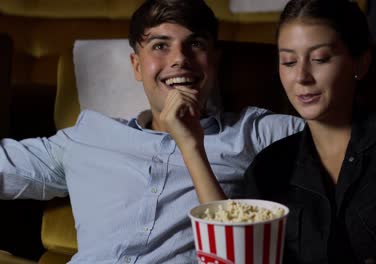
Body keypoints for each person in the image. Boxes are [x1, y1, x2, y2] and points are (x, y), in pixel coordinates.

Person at [0, 0, 304, 263]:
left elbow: (343, 142)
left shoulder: (256, 131)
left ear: (214, 61)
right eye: (160, 46)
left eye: (195, 44)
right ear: (136, 65)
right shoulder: (87, 137)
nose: (179, 59)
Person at [241, 0, 376, 263]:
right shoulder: (268, 167)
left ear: (361, 63)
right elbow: (234, 247)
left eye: (320, 59)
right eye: (289, 61)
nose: (302, 77)